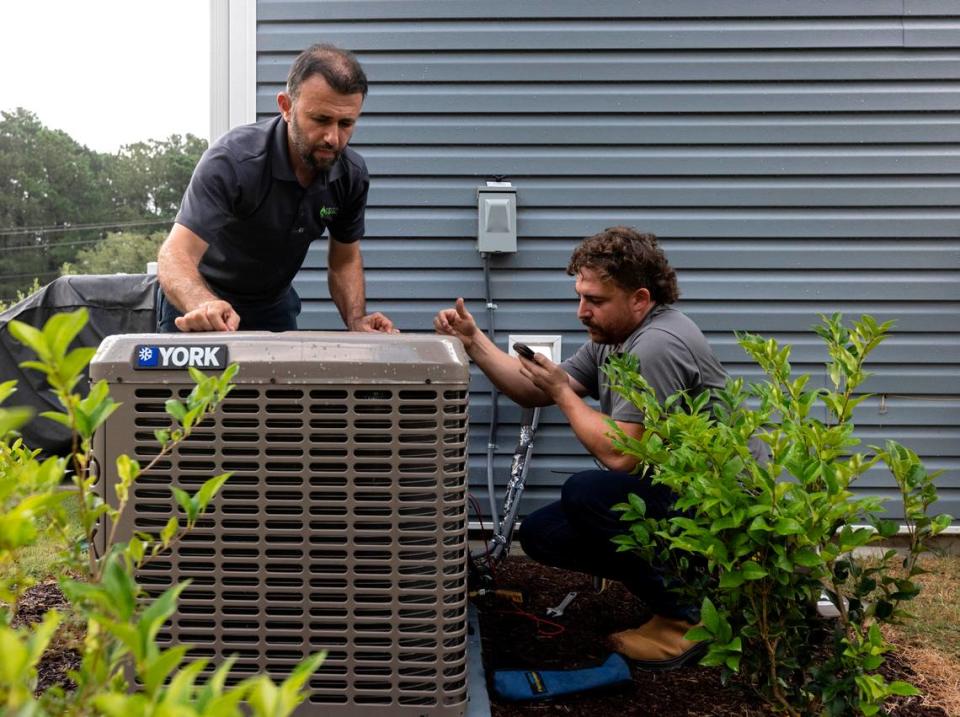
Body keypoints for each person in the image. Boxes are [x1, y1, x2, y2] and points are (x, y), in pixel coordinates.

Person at [434, 226, 765, 669]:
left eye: (595, 301)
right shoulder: (615, 340)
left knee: (588, 493)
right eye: (581, 297)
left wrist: (564, 395)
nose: (581, 312)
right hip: (683, 493)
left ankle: (688, 620)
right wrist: (474, 342)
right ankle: (688, 588)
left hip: (727, 505)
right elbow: (534, 390)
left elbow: (622, 455)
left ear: (640, 298)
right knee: (542, 534)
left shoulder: (655, 346)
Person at [156, 43, 394, 333]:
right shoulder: (233, 161)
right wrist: (202, 303)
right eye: (321, 120)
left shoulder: (350, 175)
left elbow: (344, 260)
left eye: (346, 123)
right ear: (286, 107)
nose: (333, 137)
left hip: (272, 304)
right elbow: (175, 253)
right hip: (202, 297)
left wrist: (356, 319)